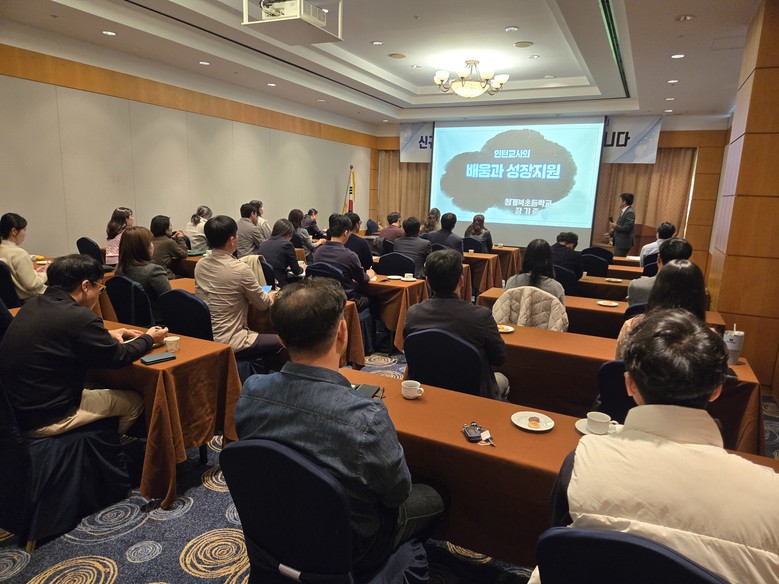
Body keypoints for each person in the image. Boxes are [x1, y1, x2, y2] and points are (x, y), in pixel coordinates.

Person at [531, 309, 779, 584]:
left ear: (629, 384)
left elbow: (559, 554)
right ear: (717, 389)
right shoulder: (772, 496)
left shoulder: (581, 461)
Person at [234, 277, 445, 573]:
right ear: (343, 332)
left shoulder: (250, 391)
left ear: (280, 339)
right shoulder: (367, 418)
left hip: (276, 527)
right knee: (436, 497)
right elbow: (398, 493)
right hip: (354, 546)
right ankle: (396, 566)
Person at [0, 254, 168, 436]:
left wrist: (106, 334)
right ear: (86, 286)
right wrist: (149, 338)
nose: (99, 293)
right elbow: (119, 356)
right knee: (134, 401)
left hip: (18, 410)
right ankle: (105, 445)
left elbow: (61, 335)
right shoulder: (79, 317)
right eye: (99, 287)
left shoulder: (33, 305)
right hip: (48, 416)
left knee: (96, 384)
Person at [404, 249, 509, 401]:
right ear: (461, 281)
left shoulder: (413, 314)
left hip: (428, 389)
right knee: (502, 379)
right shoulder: (481, 316)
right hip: (474, 395)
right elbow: (499, 359)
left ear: (427, 282)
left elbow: (411, 354)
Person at [194, 215, 285, 368]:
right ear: (232, 239)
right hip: (231, 339)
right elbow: (263, 304)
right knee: (281, 342)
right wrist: (271, 295)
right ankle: (257, 378)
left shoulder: (200, 265)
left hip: (205, 337)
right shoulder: (240, 269)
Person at [616, 259, 706, 358]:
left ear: (657, 289)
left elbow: (620, 364)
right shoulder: (709, 338)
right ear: (700, 295)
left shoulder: (632, 327)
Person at [314, 214, 376, 311]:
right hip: (345, 299)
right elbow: (362, 280)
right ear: (346, 232)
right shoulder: (349, 256)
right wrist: (369, 275)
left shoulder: (318, 252)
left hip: (323, 298)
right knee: (375, 299)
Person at [116, 226, 171, 323]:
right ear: (143, 248)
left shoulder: (118, 270)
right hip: (158, 323)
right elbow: (170, 301)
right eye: (150, 242)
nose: (153, 245)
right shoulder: (154, 271)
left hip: (131, 322)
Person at [627, 237, 693, 306]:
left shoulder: (637, 286)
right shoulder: (693, 291)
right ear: (687, 262)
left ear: (658, 258)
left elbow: (631, 311)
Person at [0, 212, 47, 301]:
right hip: (32, 300)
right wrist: (46, 273)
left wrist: (34, 273)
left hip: (12, 301)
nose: (26, 234)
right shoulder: (19, 254)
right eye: (24, 230)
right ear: (14, 231)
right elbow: (32, 285)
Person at [505, 239, 565, 305]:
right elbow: (560, 310)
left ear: (525, 257)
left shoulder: (512, 282)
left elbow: (504, 307)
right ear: (549, 260)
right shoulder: (556, 288)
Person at [257, 218, 303, 288]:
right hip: (279, 284)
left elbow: (272, 263)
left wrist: (285, 268)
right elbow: (296, 271)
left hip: (264, 285)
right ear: (289, 234)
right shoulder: (287, 244)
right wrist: (302, 268)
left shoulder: (262, 244)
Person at [150, 215, 187, 279]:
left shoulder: (149, 240)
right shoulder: (169, 242)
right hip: (164, 276)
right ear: (166, 230)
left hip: (151, 275)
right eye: (170, 225)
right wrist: (180, 238)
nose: (172, 227)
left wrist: (172, 238)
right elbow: (184, 254)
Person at [608, 192, 635, 257]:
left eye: (619, 200)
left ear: (624, 202)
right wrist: (611, 234)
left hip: (623, 243)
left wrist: (615, 226)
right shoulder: (625, 211)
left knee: (617, 260)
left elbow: (627, 228)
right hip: (620, 243)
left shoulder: (630, 212)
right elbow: (621, 226)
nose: (618, 202)